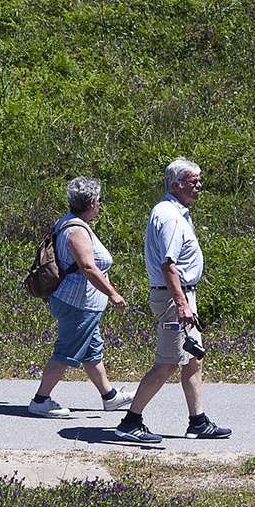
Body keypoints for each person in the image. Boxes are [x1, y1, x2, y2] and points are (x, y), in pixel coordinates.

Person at [114, 157, 232, 443]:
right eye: (194, 181)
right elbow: (169, 265)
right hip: (173, 298)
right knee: (167, 363)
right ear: (177, 184)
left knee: (193, 359)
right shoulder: (168, 216)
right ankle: (130, 422)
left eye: (199, 181)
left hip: (182, 295)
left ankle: (198, 422)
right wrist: (181, 304)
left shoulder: (177, 212)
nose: (199, 186)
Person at [29, 177, 134, 419]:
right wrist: (113, 293)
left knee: (91, 351)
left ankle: (110, 397)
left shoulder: (67, 222)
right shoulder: (77, 231)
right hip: (78, 303)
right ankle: (40, 400)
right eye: (99, 200)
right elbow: (88, 267)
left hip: (76, 301)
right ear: (91, 203)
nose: (100, 205)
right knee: (66, 352)